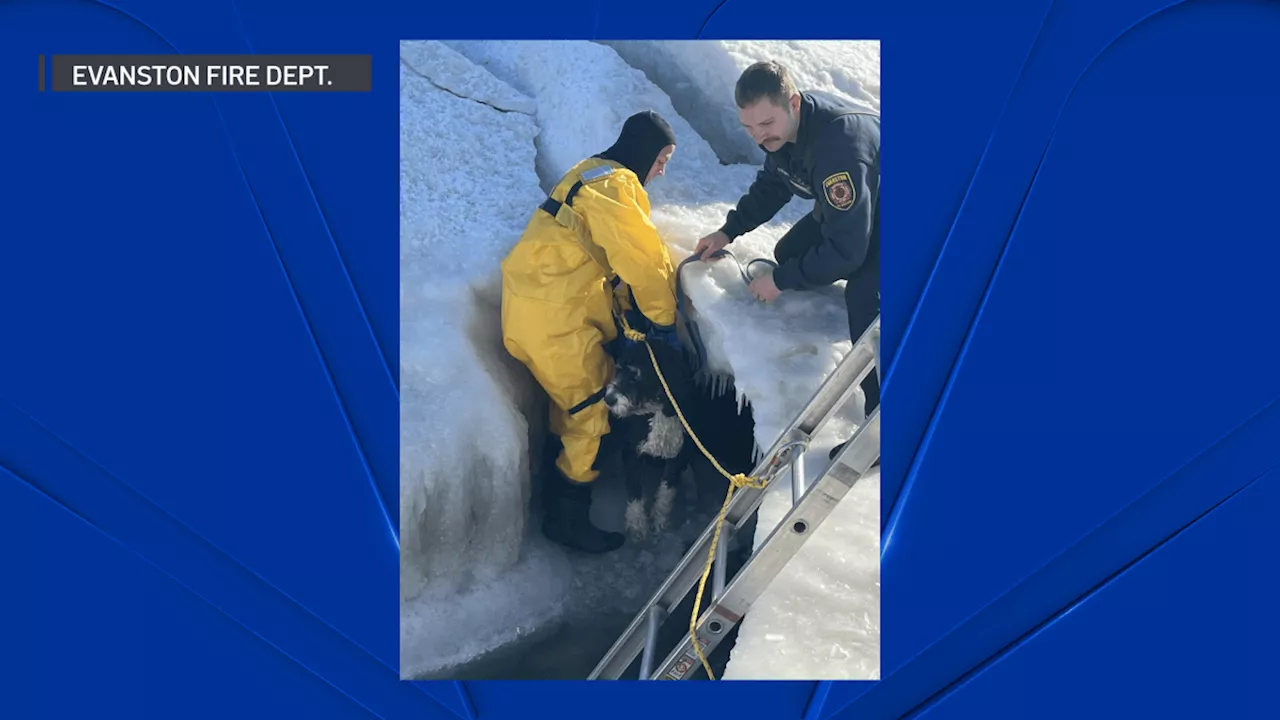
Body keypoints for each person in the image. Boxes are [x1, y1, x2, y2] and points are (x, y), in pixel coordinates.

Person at [501, 110, 681, 553]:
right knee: (592, 412)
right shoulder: (618, 186)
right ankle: (566, 520)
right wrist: (662, 320)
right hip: (557, 322)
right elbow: (644, 262)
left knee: (570, 407)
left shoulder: (588, 174)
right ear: (643, 151)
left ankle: (556, 485)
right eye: (662, 159)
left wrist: (623, 313)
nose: (662, 169)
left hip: (531, 310)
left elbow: (599, 260)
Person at [695, 60, 881, 419]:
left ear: (793, 103)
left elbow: (848, 250)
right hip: (860, 208)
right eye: (748, 127)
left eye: (766, 124)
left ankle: (883, 424)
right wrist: (727, 231)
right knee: (790, 251)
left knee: (863, 300)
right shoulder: (784, 135)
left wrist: (780, 281)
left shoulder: (838, 148)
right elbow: (770, 187)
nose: (759, 136)